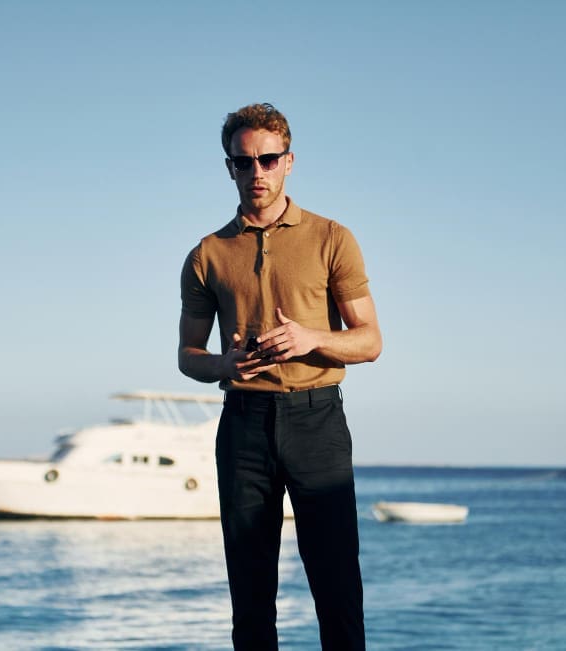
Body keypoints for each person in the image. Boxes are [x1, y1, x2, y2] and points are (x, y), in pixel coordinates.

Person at [178, 102, 383, 650]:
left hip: (317, 423)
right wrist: (225, 364)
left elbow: (370, 341)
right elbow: (188, 355)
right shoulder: (207, 254)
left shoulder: (331, 237)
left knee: (337, 591)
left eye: (268, 160)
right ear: (230, 168)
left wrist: (312, 338)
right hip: (243, 428)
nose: (257, 173)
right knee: (250, 600)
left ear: (289, 162)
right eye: (244, 162)